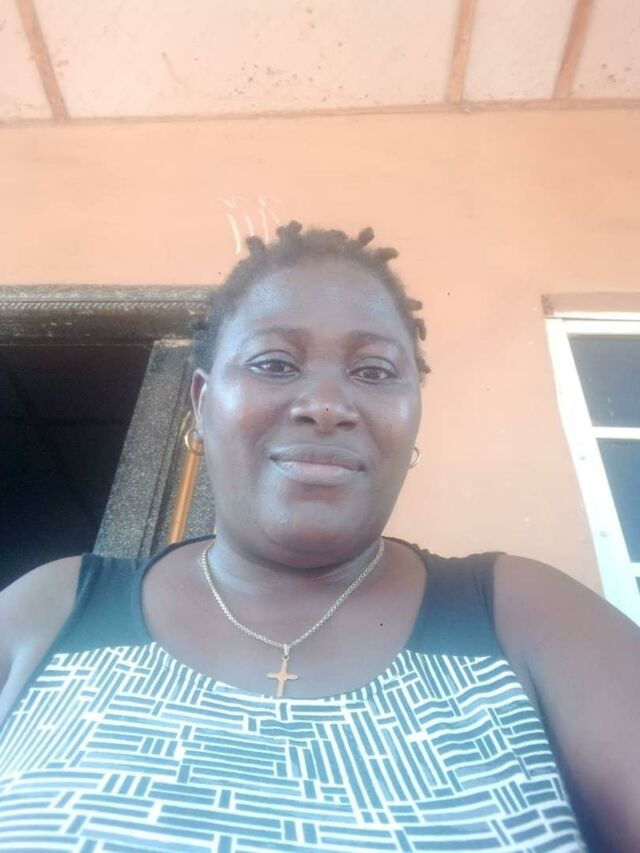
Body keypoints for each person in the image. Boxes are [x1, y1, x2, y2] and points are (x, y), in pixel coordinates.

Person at [0, 222, 638, 853]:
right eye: (274, 364)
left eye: (375, 371)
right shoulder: (50, 611)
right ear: (201, 403)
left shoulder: (528, 616)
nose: (327, 405)